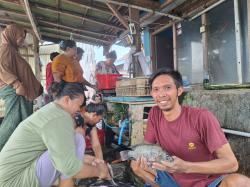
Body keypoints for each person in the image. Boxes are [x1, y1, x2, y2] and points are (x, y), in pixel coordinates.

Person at [131, 69, 250, 187]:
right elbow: (147, 146)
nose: (161, 94)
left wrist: (186, 167)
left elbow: (232, 164)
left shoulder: (201, 117)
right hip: (172, 178)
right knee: (135, 164)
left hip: (206, 181)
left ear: (179, 90)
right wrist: (146, 159)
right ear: (152, 93)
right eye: (156, 89)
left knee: (240, 182)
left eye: (167, 88)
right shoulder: (155, 113)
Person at [0, 82, 110, 187]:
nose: (79, 109)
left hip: (9, 179)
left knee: (69, 149)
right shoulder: (60, 117)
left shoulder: (52, 111)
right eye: (79, 105)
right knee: (77, 139)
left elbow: (58, 150)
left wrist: (88, 159)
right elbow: (69, 167)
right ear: (67, 100)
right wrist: (100, 171)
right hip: (16, 181)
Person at [0, 24, 43, 151]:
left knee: (21, 121)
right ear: (12, 34)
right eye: (21, 37)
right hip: (13, 90)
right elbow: (1, 68)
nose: (22, 40)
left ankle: (16, 150)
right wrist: (16, 84)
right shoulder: (5, 49)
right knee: (13, 122)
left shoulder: (12, 50)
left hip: (17, 90)